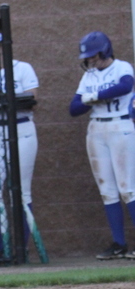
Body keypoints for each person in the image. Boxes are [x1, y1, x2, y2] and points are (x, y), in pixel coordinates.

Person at [69, 31, 135, 260]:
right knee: (107, 191)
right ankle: (119, 244)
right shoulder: (89, 76)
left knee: (128, 188)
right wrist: (92, 98)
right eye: (88, 57)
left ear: (104, 50)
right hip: (96, 130)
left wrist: (95, 96)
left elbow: (125, 86)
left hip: (121, 126)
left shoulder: (122, 67)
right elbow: (74, 108)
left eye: (93, 55)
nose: (90, 60)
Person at [0, 33, 39, 258]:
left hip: (22, 128)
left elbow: (32, 99)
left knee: (22, 192)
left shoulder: (23, 68)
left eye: (3, 46)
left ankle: (21, 248)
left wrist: (5, 98)